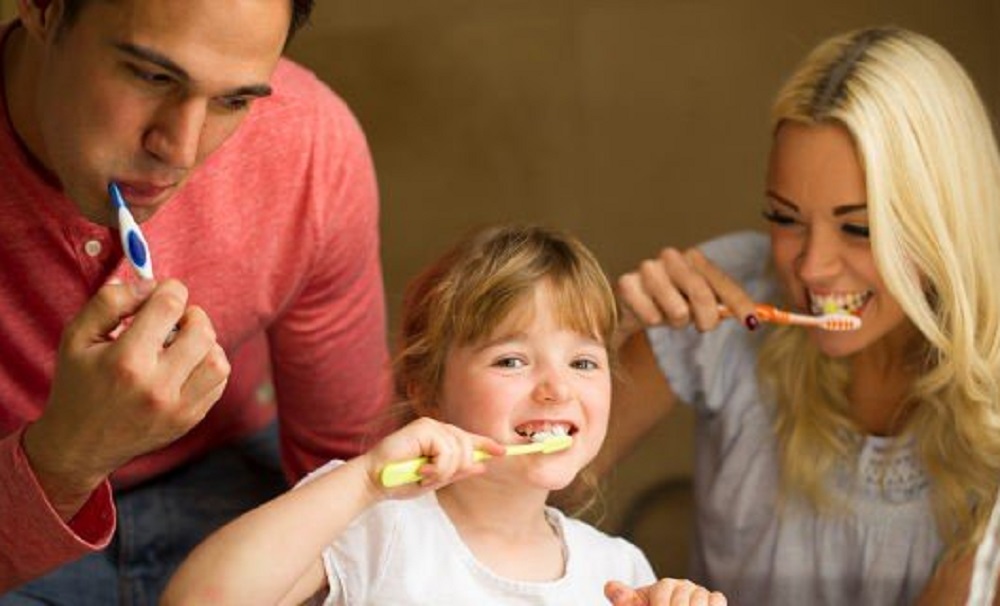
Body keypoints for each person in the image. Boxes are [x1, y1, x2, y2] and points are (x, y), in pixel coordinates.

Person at [0, 0, 390, 602]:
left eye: (233, 101)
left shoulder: (309, 145)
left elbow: (351, 475)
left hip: (238, 486)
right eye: (152, 75)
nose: (178, 151)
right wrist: (66, 460)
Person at [602, 27, 1000, 605]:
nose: (812, 268)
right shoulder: (728, 296)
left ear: (944, 220)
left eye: (858, 228)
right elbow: (504, 496)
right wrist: (588, 341)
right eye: (785, 218)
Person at [161, 225, 728, 605]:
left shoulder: (620, 570)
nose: (558, 388)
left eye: (584, 360)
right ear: (426, 390)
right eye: (511, 360)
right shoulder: (378, 519)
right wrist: (360, 483)